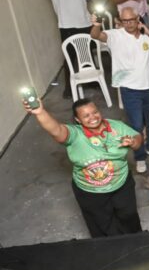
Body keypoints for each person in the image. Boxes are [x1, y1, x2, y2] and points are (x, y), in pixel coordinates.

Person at [22, 98, 142, 237]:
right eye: (86, 116)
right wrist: (40, 112)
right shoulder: (75, 134)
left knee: (129, 215)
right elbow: (57, 130)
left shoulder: (116, 126)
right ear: (78, 120)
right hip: (91, 192)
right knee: (102, 223)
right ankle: (112, 250)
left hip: (121, 183)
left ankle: (137, 242)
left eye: (94, 112)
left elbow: (137, 137)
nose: (93, 117)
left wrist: (133, 142)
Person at [90, 7, 149, 174]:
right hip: (130, 90)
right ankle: (139, 157)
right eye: (125, 21)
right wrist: (96, 24)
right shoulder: (115, 36)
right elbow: (96, 35)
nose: (129, 23)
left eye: (132, 19)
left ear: (137, 18)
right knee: (136, 126)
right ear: (120, 21)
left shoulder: (147, 37)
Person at [45, 0, 93, 98]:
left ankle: (90, 81)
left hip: (85, 23)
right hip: (68, 26)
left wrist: (94, 14)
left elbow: (88, 0)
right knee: (70, 57)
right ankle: (69, 87)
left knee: (88, 54)